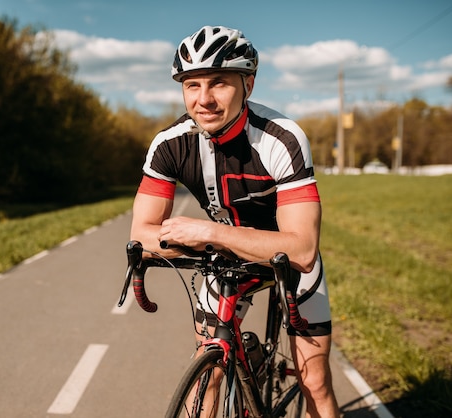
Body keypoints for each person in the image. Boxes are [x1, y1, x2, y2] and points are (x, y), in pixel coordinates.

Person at [130, 25, 340, 417]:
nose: (204, 99)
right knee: (208, 370)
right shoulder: (169, 144)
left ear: (249, 84)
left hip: (286, 261)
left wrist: (208, 232)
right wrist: (206, 242)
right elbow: (142, 234)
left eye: (219, 84)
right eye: (192, 85)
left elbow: (303, 248)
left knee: (314, 382)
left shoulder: (282, 138)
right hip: (224, 258)